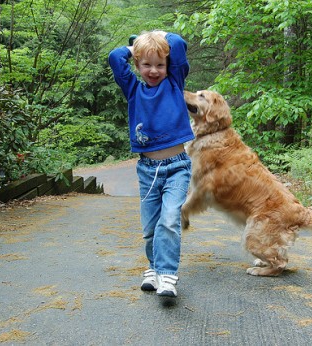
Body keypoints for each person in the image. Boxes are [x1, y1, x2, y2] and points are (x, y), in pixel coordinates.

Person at [108, 31, 194, 297]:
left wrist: (157, 36)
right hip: (147, 170)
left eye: (160, 64)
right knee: (149, 228)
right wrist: (137, 44)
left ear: (168, 66)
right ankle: (153, 267)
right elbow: (114, 57)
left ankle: (167, 275)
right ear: (137, 65)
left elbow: (178, 44)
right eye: (146, 64)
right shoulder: (133, 89)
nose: (154, 70)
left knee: (169, 220)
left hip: (177, 167)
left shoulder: (174, 83)